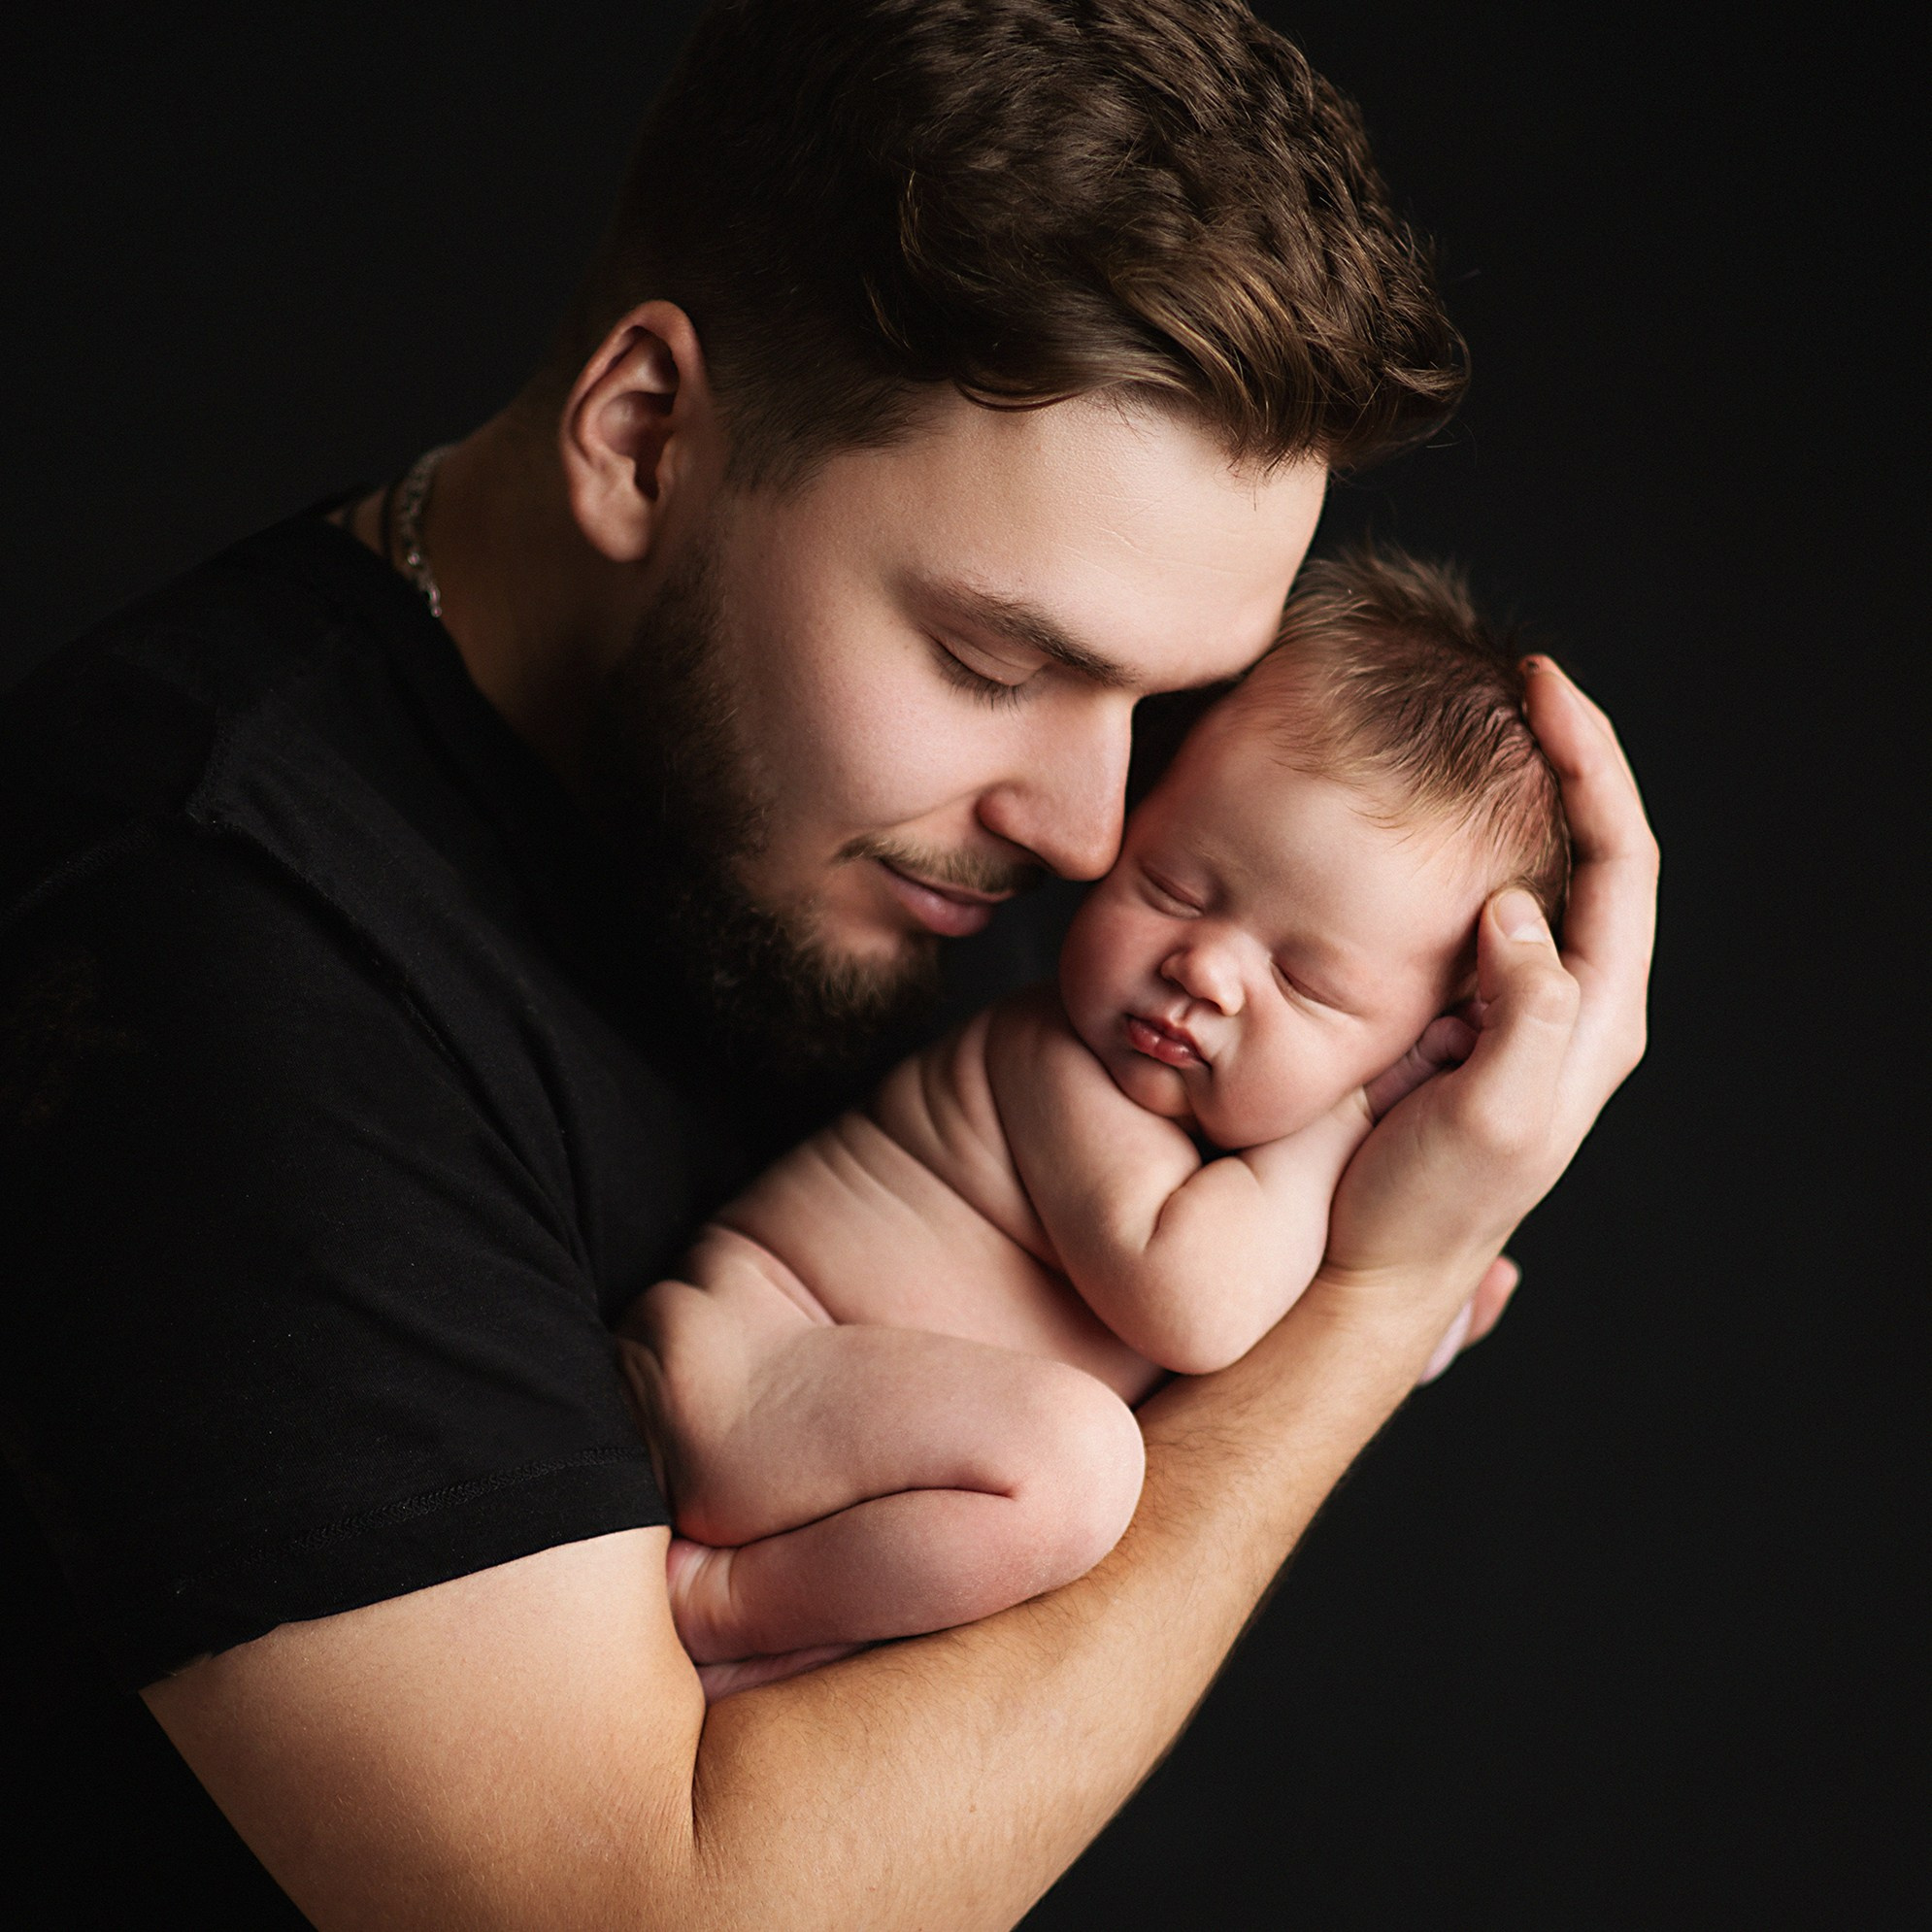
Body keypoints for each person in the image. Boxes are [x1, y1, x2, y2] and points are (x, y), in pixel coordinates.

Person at [0, 2, 1655, 1924]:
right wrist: (1382, 1291)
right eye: (996, 658)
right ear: (642, 436)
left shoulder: (812, 817)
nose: (1089, 829)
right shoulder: (214, 955)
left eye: (1157, 700)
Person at [638, 545, 1571, 1693]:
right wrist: (1342, 1125)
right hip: (743, 1365)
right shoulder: (1048, 1062)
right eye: (1173, 887)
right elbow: (1195, 1302)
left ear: (1433, 1039)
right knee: (1077, 1465)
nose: (1208, 969)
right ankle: (724, 1608)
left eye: (1307, 981)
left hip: (837, 1446)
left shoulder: (1233, 1183)